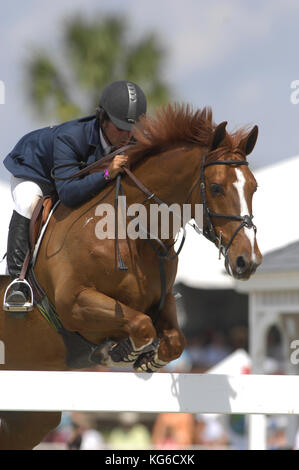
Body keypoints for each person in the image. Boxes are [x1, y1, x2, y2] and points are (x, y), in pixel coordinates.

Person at [2, 80, 147, 311]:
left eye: (132, 129)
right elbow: (68, 193)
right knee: (31, 206)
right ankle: (18, 282)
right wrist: (109, 173)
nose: (126, 135)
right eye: (120, 128)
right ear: (102, 119)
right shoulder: (70, 137)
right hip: (34, 172)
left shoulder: (133, 140)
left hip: (69, 178)